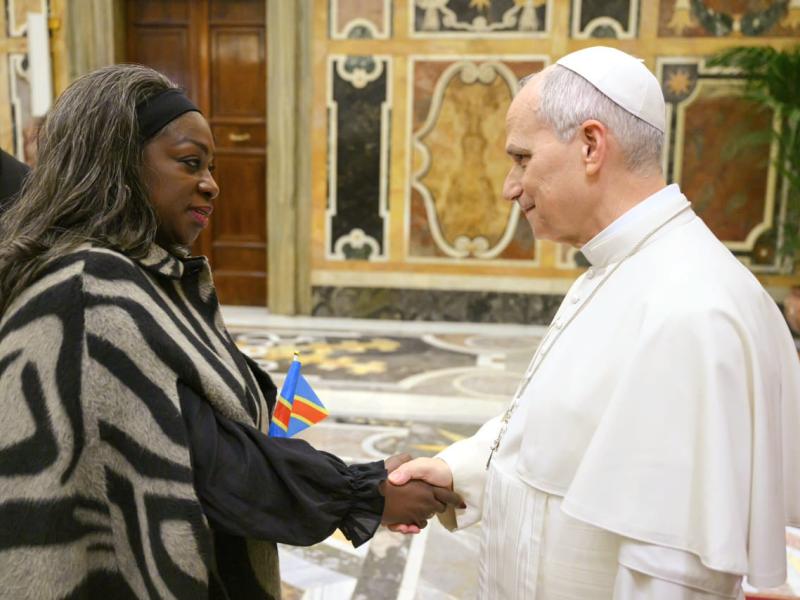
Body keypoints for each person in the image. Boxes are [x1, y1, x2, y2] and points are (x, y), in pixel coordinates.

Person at [0, 64, 461, 600]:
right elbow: (208, 460)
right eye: (190, 163)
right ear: (119, 163)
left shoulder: (147, 273)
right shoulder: (89, 286)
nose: (212, 184)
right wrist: (363, 492)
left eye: (212, 166)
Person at [388, 46, 800, 598]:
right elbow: (554, 438)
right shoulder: (620, 269)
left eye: (522, 158)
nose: (511, 187)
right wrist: (458, 470)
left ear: (589, 145)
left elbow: (673, 577)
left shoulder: (691, 312)